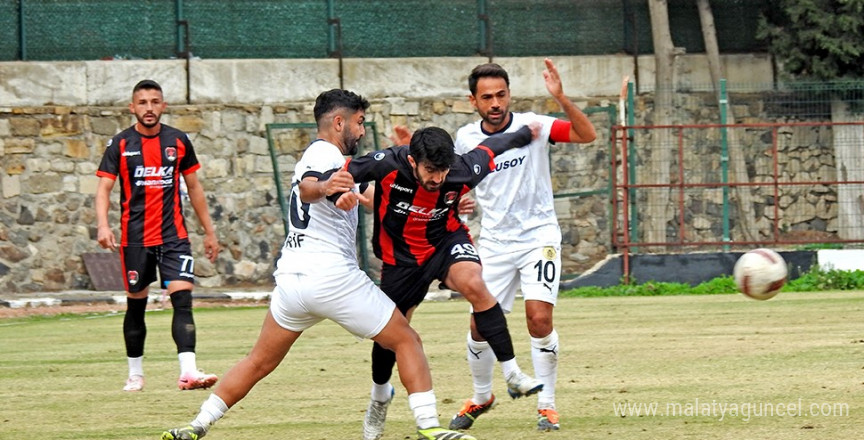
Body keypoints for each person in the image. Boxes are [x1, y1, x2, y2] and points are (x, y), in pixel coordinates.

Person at [160, 89, 475, 440]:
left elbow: (361, 196)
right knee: (407, 341)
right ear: (338, 122)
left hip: (293, 281)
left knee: (258, 362)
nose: (360, 131)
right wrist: (328, 187)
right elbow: (312, 186)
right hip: (330, 276)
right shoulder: (323, 152)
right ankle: (431, 427)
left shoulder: (326, 160)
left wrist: (438, 206)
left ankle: (197, 424)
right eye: (357, 123)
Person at [338, 122, 544, 440]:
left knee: (475, 283)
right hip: (400, 260)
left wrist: (526, 132)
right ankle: (379, 396)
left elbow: (495, 146)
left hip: (445, 243)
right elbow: (343, 170)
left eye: (443, 170)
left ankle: (513, 372)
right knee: (389, 336)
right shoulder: (388, 162)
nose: (437, 178)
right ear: (412, 161)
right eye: (430, 170)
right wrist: (339, 193)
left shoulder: (462, 169)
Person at [450, 58, 598, 431]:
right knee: (479, 327)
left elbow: (586, 134)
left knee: (539, 319)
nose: (496, 103)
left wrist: (561, 98)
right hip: (496, 243)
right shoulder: (467, 138)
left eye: (501, 94)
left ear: (510, 94)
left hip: (539, 238)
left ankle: (546, 405)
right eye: (487, 97)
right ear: (474, 101)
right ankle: (482, 397)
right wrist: (459, 200)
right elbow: (459, 183)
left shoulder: (536, 125)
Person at [95, 79, 221, 393]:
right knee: (136, 306)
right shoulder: (121, 145)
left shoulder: (178, 141)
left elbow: (194, 188)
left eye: (155, 102)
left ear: (163, 106)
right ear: (132, 107)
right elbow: (104, 189)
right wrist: (103, 226)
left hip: (174, 238)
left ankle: (188, 372)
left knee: (183, 300)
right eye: (143, 102)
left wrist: (210, 232)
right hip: (135, 241)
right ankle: (135, 374)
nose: (149, 108)